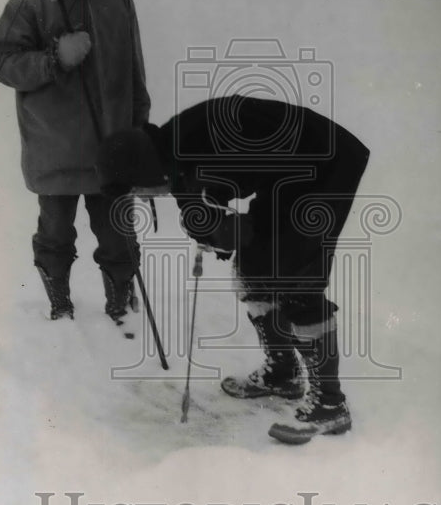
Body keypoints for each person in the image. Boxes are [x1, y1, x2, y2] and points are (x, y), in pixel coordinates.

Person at [96, 95, 370, 444]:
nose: (143, 195)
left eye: (136, 188)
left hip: (326, 164)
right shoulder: (171, 154)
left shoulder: (199, 147)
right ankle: (283, 373)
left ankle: (331, 404)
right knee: (254, 266)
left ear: (142, 168)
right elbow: (207, 211)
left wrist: (221, 231)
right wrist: (213, 230)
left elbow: (233, 221)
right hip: (288, 171)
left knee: (294, 277)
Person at [0, 0, 151, 322]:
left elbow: (134, 66)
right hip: (55, 144)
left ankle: (121, 302)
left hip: (111, 146)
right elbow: (2, 63)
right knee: (56, 232)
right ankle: (59, 302)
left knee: (118, 232)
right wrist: (54, 58)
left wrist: (139, 129)